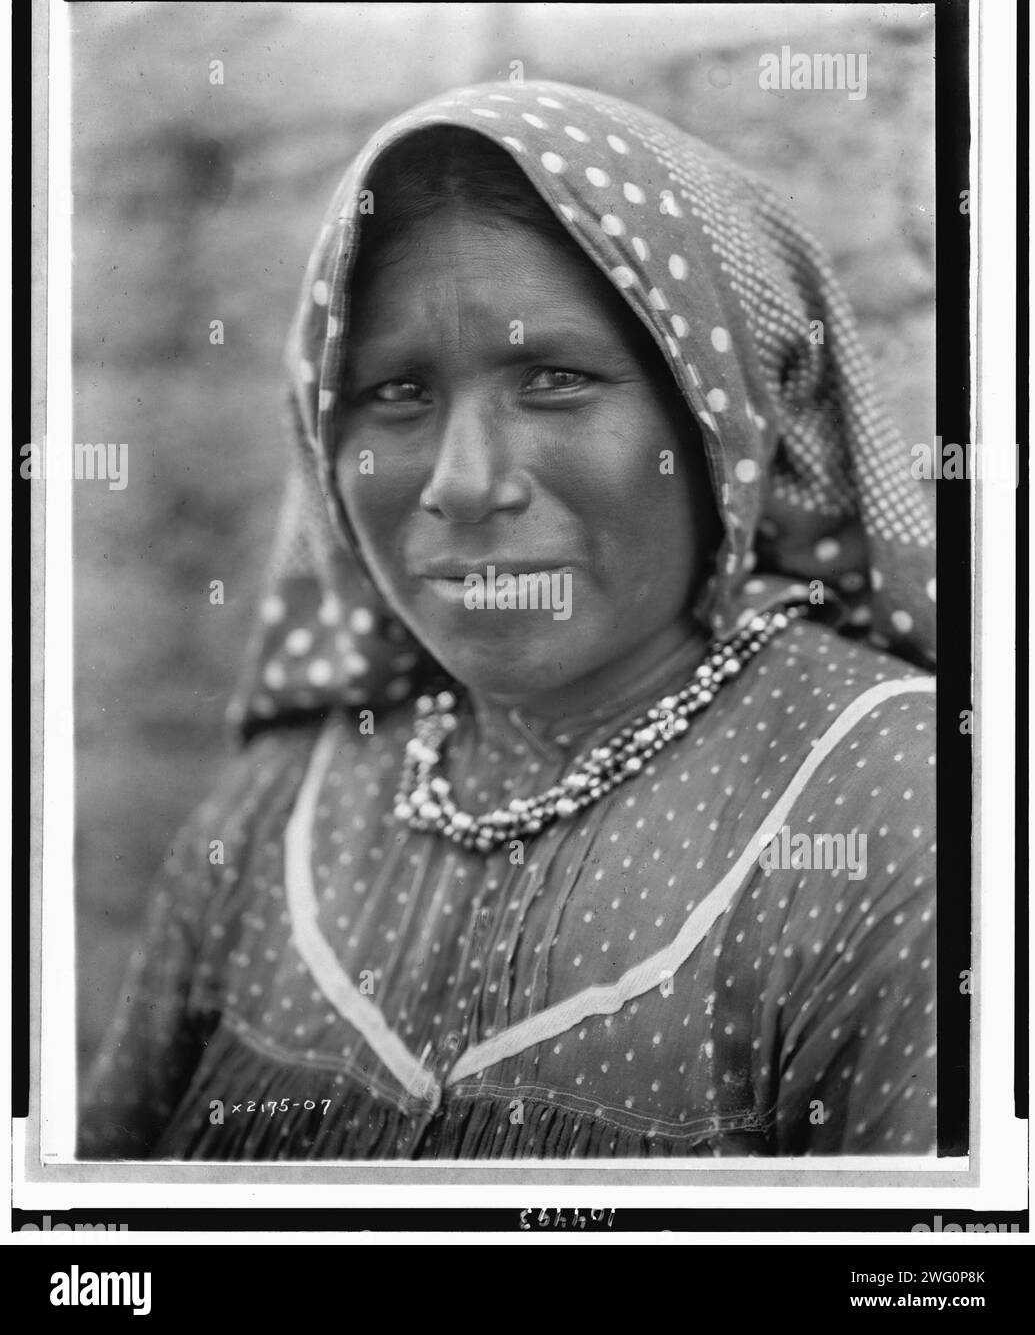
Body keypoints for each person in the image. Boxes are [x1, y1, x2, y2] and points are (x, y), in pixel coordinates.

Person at [79, 79, 937, 1161]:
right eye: (396, 393)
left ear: (720, 420)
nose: (465, 481)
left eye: (555, 379)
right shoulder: (279, 810)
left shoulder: (897, 805)